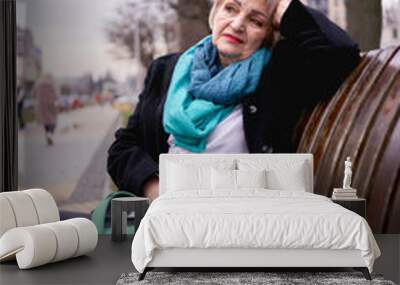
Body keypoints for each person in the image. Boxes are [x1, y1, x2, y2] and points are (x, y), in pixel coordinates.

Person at [107, 0, 361, 202]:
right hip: (170, 212)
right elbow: (123, 148)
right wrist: (156, 190)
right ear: (215, 11)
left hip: (241, 216)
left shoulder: (278, 73)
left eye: (256, 20)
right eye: (230, 7)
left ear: (268, 33)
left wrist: (283, 6)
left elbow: (341, 53)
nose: (238, 24)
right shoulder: (166, 70)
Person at [31, 73, 59, 146]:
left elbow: (33, 93)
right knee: (53, 120)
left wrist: (36, 99)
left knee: (45, 121)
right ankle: (50, 134)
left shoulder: (38, 83)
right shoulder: (52, 82)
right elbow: (56, 93)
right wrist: (56, 100)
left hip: (41, 104)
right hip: (51, 103)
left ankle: (47, 134)